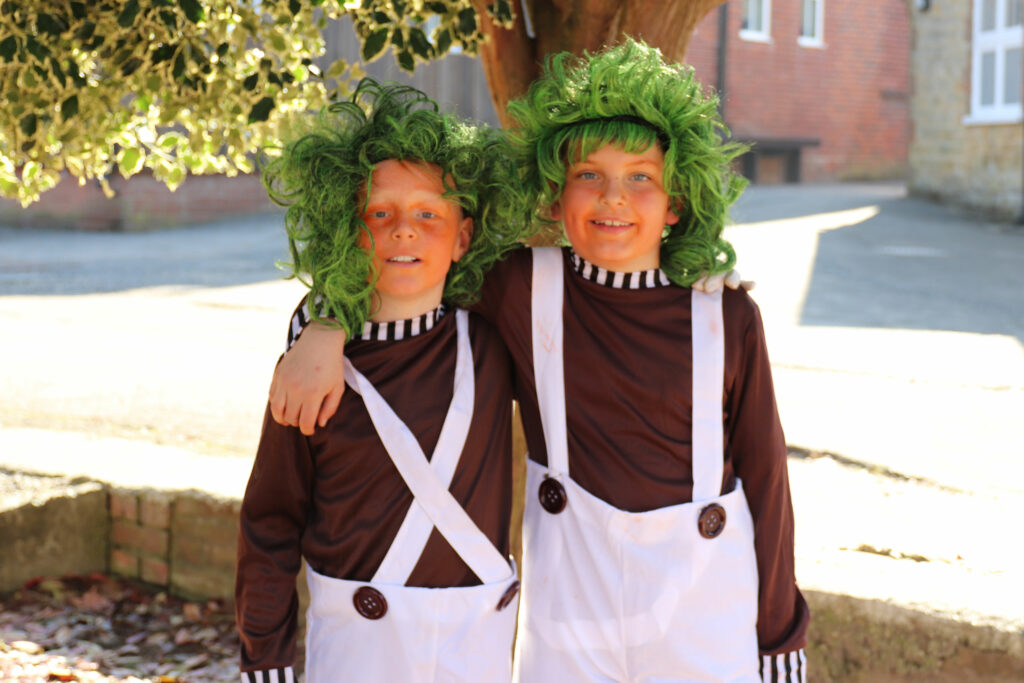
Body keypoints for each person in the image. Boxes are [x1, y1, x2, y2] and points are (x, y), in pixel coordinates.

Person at [272, 39, 809, 682]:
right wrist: (323, 323)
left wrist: (780, 635)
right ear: (554, 198)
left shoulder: (726, 316)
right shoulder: (519, 286)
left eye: (641, 177)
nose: (613, 198)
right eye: (589, 176)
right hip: (570, 621)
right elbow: (404, 275)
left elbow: (768, 480)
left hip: (704, 619)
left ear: (677, 203)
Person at [235, 79, 531, 683]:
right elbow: (269, 523)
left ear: (464, 236)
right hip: (355, 655)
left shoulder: (497, 338)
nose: (404, 230)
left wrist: (705, 278)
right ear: (350, 228)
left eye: (429, 213)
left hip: (477, 647)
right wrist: (264, 662)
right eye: (380, 213)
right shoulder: (310, 372)